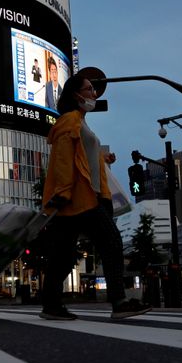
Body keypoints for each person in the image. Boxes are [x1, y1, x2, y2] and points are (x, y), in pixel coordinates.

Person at [39, 72, 151, 320]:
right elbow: (62, 161)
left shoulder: (79, 120)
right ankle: (119, 302)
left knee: (64, 255)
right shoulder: (69, 121)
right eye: (90, 89)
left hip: (78, 199)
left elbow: (80, 158)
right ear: (76, 95)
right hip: (79, 199)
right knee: (111, 242)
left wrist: (102, 159)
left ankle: (51, 305)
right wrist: (63, 193)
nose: (95, 94)